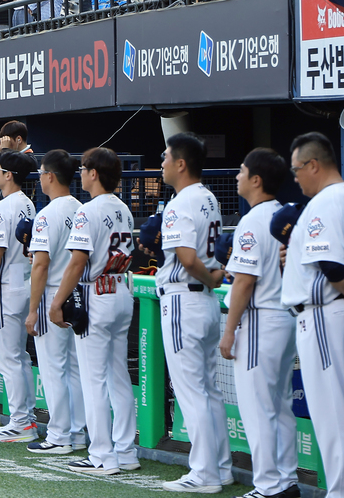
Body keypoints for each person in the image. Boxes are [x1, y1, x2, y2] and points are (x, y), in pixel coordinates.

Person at [282, 132, 344, 498]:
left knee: (334, 418)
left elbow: (331, 265)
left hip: (326, 315)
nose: (296, 176)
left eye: (298, 169)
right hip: (342, 318)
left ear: (314, 165)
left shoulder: (325, 202)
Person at [51, 147, 138, 476]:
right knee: (118, 378)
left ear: (94, 173)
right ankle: (126, 452)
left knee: (94, 380)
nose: (82, 173)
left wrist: (57, 301)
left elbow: (77, 262)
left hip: (96, 294)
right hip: (120, 290)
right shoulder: (124, 210)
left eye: (85, 168)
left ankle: (102, 455)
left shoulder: (88, 210)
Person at [218, 148, 299, 498]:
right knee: (278, 405)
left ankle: (268, 486)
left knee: (257, 408)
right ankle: (286, 481)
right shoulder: (284, 213)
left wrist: (229, 330)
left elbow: (244, 282)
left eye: (241, 171)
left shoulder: (254, 220)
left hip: (260, 319)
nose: (236, 177)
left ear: (256, 180)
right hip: (285, 319)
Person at [156, 132, 231, 493]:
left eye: (166, 157)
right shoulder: (209, 198)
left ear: (181, 163)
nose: (162, 163)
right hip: (202, 304)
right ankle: (221, 467)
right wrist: (211, 279)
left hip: (184, 299)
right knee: (208, 389)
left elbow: (186, 258)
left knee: (192, 391)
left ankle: (205, 474)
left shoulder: (181, 201)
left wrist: (210, 279)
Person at [23, 148, 89, 455]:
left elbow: (40, 264)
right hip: (77, 294)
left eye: (40, 173)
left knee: (53, 368)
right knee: (73, 368)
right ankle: (76, 433)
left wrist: (33, 309)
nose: (39, 178)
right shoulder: (80, 207)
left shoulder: (47, 213)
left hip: (53, 294)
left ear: (50, 176)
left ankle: (60, 435)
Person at [0, 149, 39, 444]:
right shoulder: (27, 203)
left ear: (8, 175)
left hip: (5, 288)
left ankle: (21, 422)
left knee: (9, 359)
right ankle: (27, 417)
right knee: (20, 357)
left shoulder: (2, 208)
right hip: (23, 284)